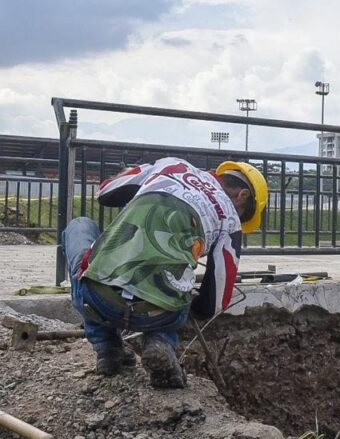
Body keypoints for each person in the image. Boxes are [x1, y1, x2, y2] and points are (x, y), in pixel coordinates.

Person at [61, 157, 268, 388]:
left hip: (98, 300)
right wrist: (190, 303)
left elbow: (106, 192)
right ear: (242, 196)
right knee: (178, 288)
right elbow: (215, 303)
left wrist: (151, 187)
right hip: (160, 314)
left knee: (79, 226)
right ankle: (160, 340)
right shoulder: (229, 219)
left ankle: (107, 348)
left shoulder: (172, 166)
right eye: (244, 216)